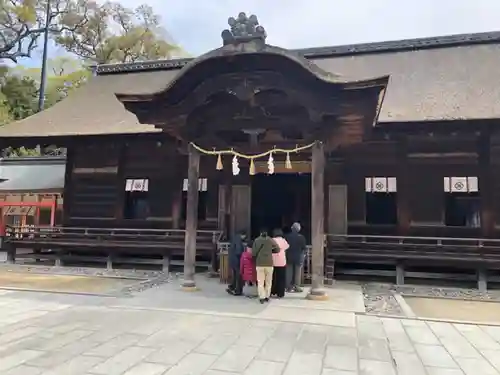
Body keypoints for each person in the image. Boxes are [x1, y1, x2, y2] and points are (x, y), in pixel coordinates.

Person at [252, 228, 279, 304]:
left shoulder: (257, 240)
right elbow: (278, 249)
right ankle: (267, 296)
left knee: (260, 281)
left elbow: (253, 253)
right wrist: (271, 251)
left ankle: (262, 297)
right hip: (269, 263)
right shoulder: (270, 240)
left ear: (260, 233)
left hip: (260, 263)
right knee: (268, 281)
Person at [285, 222, 307, 293]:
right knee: (297, 272)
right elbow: (304, 248)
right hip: (298, 256)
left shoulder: (287, 237)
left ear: (292, 228)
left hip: (288, 256)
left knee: (289, 272)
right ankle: (297, 287)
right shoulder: (302, 237)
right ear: (299, 229)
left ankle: (288, 287)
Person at [226, 230, 246, 296]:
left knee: (235, 275)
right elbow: (238, 251)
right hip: (237, 260)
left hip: (232, 260)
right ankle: (238, 290)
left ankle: (232, 287)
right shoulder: (238, 240)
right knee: (239, 276)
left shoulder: (234, 239)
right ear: (242, 235)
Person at [271, 228, 289, 298]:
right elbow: (287, 247)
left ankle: (273, 291)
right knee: (281, 278)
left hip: (273, 261)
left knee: (273, 277)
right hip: (281, 261)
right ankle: (280, 293)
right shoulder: (283, 240)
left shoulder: (272, 240)